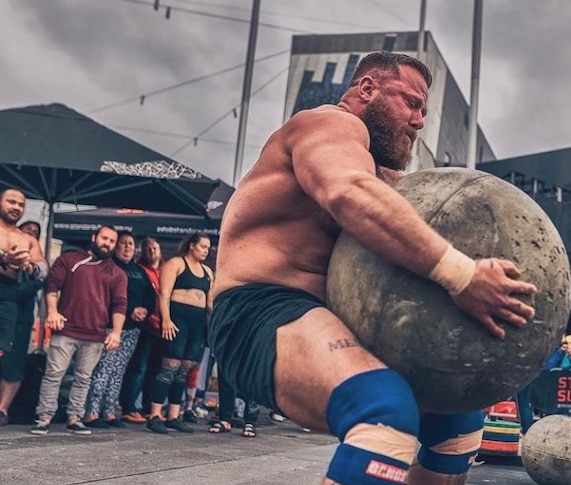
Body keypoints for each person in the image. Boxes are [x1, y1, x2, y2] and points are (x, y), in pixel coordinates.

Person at [208, 51, 537, 485]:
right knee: (383, 415)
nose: (420, 121)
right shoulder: (330, 124)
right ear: (367, 89)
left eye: (423, 110)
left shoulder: (378, 172)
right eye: (412, 103)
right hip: (258, 310)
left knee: (457, 426)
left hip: (332, 318)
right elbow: (347, 193)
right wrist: (464, 276)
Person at [31, 225, 127, 435]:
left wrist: (117, 332)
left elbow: (120, 304)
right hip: (65, 328)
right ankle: (44, 417)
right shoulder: (70, 259)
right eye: (104, 238)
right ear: (94, 237)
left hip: (95, 334)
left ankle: (75, 418)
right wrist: (53, 312)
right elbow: (52, 285)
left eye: (112, 241)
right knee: (53, 374)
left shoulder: (118, 273)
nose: (107, 243)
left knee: (84, 378)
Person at [84, 231, 155, 428]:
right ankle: (92, 412)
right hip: (108, 327)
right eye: (123, 243)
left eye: (130, 244)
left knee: (118, 371)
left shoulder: (139, 271)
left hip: (133, 330)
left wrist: (145, 310)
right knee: (103, 369)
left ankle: (109, 411)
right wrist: (130, 310)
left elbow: (151, 297)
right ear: (116, 246)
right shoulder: (108, 267)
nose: (127, 247)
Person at [145, 233, 212, 434]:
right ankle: (155, 415)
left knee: (184, 369)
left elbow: (209, 303)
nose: (206, 250)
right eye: (202, 246)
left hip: (197, 323)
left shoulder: (208, 271)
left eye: (208, 248)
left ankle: (174, 415)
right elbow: (164, 294)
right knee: (169, 367)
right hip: (177, 320)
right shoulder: (176, 263)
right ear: (192, 246)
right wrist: (166, 319)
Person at [0, 191, 47, 426]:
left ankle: (2, 409)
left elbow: (43, 268)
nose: (16, 207)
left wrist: (30, 265)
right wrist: (3, 258)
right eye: (11, 202)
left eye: (21, 204)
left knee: (13, 357)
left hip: (18, 302)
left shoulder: (28, 239)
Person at [120, 237, 163, 423]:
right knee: (138, 367)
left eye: (155, 247)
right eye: (148, 248)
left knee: (155, 369)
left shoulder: (165, 269)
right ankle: (129, 406)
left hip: (162, 328)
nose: (152, 251)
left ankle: (148, 408)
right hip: (144, 326)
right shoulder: (140, 269)